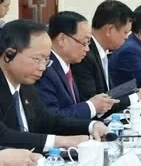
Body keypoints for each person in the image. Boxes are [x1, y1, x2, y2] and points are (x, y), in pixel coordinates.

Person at [0, 20, 108, 152]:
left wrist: (91, 126)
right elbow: (4, 136)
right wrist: (62, 141)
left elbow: (47, 119)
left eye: (46, 60)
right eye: (37, 59)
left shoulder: (26, 86)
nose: (42, 67)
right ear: (8, 55)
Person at [73, 0, 141, 109]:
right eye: (125, 32)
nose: (127, 37)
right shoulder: (85, 55)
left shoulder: (101, 52)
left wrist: (135, 93)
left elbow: (110, 94)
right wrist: (137, 97)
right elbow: (96, 104)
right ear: (110, 30)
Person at [37, 11, 119, 119]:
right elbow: (52, 118)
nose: (87, 49)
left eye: (88, 43)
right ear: (62, 39)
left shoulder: (66, 65)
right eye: (84, 43)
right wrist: (91, 106)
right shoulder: (45, 70)